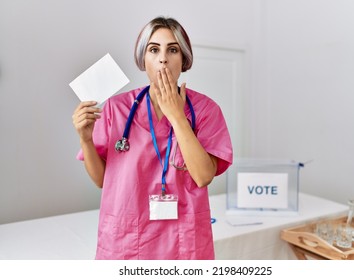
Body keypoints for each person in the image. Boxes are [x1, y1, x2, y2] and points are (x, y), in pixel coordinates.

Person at [72, 16, 233, 260]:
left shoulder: (206, 110)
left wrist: (177, 117)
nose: (163, 58)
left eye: (173, 50)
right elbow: (102, 180)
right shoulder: (117, 109)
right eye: (154, 49)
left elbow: (203, 176)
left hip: (183, 242)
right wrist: (85, 139)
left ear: (184, 59)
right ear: (143, 58)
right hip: (126, 241)